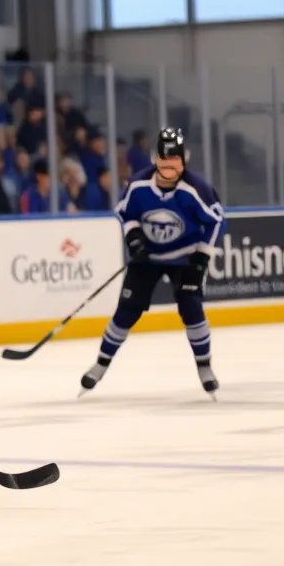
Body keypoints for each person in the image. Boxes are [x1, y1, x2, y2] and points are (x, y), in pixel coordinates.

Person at [79, 127, 225, 399]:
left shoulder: (196, 189)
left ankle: (205, 367)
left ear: (184, 161)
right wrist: (134, 237)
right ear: (155, 159)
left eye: (175, 161)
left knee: (191, 306)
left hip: (185, 258)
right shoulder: (138, 184)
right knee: (126, 312)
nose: (169, 167)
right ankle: (100, 364)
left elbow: (216, 221)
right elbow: (125, 213)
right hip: (147, 259)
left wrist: (202, 256)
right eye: (164, 160)